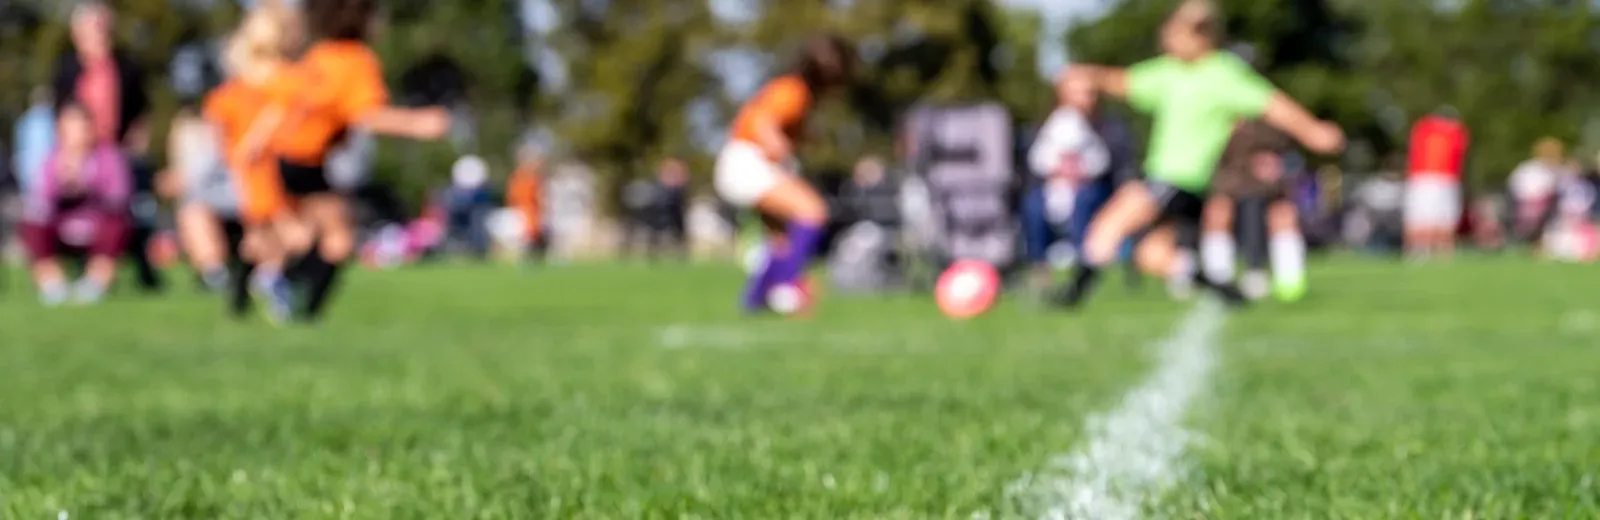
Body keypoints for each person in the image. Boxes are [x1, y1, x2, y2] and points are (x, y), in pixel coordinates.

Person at [1046, 0, 1344, 310]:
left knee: (1109, 224)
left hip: (1175, 177)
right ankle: (1223, 290)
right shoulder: (1169, 72)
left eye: (1176, 33)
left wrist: (1314, 131)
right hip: (1180, 186)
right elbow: (1122, 82)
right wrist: (1085, 74)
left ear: (1202, 37)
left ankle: (1071, 295)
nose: (1167, 40)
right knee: (1151, 255)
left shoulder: (1223, 74)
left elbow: (1273, 105)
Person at [263, 0, 450, 322]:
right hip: (305, 158)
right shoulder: (355, 59)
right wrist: (418, 123)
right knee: (339, 240)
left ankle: (289, 292)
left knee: (309, 236)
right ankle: (292, 298)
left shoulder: (319, 55)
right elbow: (367, 114)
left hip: (286, 156)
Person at [714, 33, 855, 315]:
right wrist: (782, 151)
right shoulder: (793, 89)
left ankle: (754, 302)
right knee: (813, 211)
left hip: (743, 161)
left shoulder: (796, 93)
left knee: (781, 242)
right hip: (748, 161)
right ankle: (787, 287)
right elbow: (763, 122)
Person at [54, 2, 162, 293]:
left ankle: (136, 269)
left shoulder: (126, 66)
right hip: (81, 151)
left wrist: (136, 141)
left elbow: (141, 109)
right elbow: (61, 111)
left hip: (117, 151)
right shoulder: (67, 67)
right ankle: (85, 270)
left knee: (126, 210)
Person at [205, 3, 303, 322]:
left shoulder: (263, 81)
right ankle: (270, 279)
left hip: (264, 166)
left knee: (261, 238)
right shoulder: (268, 81)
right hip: (263, 168)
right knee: (290, 234)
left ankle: (256, 288)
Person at [19, 103, 130, 306]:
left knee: (116, 223)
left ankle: (96, 283)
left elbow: (119, 197)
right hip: (62, 226)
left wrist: (87, 184)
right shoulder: (50, 161)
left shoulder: (109, 158)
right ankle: (52, 284)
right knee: (32, 224)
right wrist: (60, 184)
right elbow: (38, 202)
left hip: (97, 224)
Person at [1201, 120, 1309, 301]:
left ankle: (1289, 282)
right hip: (1229, 182)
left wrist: (1270, 162)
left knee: (1283, 214)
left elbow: (1279, 148)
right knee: (1218, 211)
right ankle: (1218, 279)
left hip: (1266, 184)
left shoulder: (1268, 118)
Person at [161, 107, 241, 294]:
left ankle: (217, 272)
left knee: (192, 212)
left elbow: (198, 175)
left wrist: (180, 181)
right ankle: (215, 273)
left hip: (245, 201)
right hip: (216, 201)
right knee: (192, 210)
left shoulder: (228, 138)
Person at [1402, 111, 1469, 259]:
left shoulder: (1455, 132)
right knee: (1420, 220)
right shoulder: (1424, 129)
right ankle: (1419, 252)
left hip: (1445, 179)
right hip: (1424, 178)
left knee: (1443, 221)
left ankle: (1441, 253)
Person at [505, 145, 546, 262]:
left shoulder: (533, 177)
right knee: (527, 234)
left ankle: (534, 255)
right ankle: (527, 256)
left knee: (533, 234)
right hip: (524, 210)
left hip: (532, 209)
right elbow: (513, 195)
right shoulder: (519, 176)